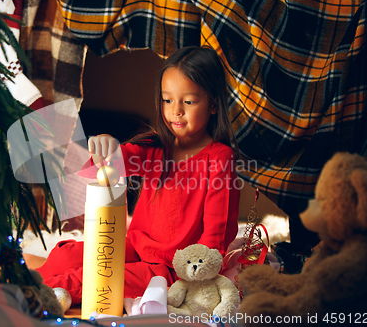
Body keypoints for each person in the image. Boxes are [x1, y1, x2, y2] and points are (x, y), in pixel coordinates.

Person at [34, 46, 240, 305]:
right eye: (167, 100)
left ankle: (26, 295)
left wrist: (194, 276)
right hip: (131, 246)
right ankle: (20, 281)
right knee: (67, 257)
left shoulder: (219, 158)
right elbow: (107, 164)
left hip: (170, 270)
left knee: (89, 278)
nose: (175, 110)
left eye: (188, 101)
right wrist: (106, 148)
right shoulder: (155, 146)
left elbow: (215, 240)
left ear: (213, 104)